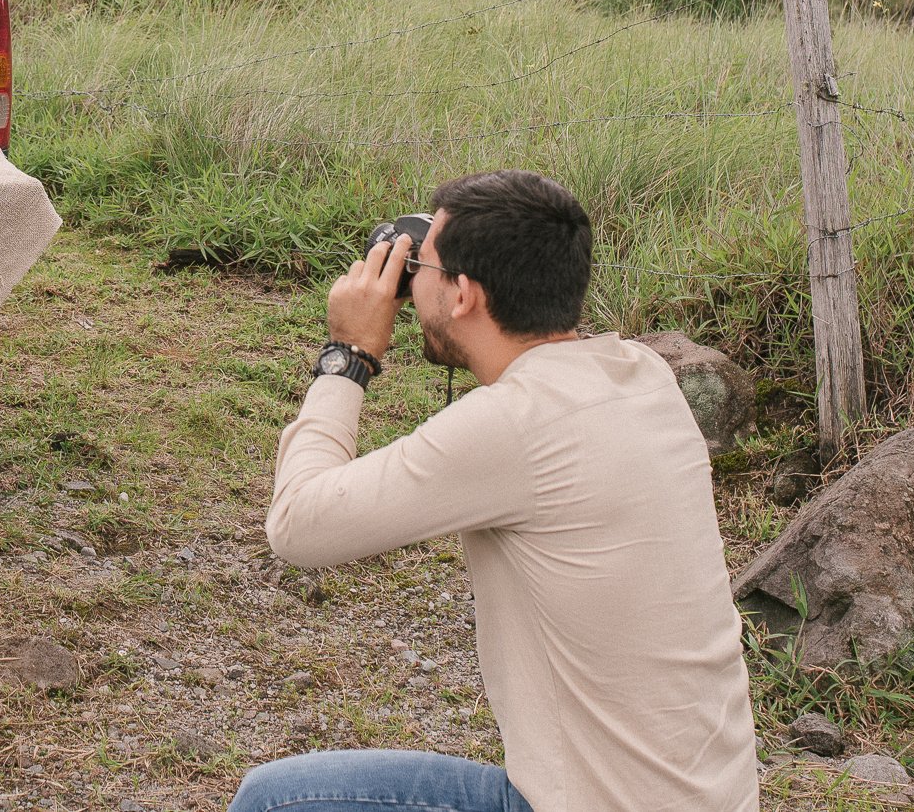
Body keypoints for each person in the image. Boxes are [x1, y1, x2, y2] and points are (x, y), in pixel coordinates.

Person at [234, 169, 758, 812]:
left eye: (420, 261)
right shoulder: (642, 374)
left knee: (277, 802)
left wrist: (348, 354)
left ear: (464, 296)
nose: (408, 273)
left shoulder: (515, 426)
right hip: (710, 798)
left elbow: (297, 526)